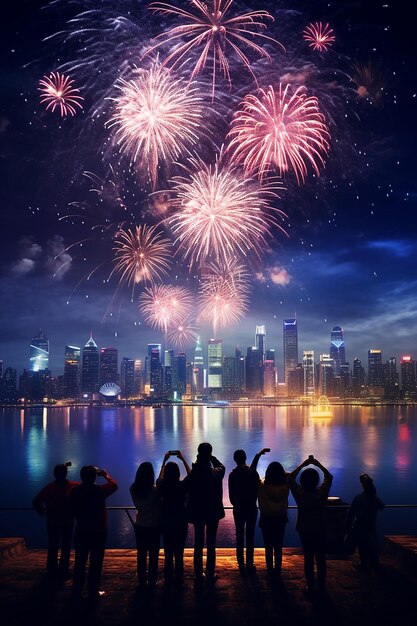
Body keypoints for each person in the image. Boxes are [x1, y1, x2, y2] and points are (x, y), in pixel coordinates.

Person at [70, 465, 118, 601]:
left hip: (81, 530)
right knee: (96, 562)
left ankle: (77, 589)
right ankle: (93, 590)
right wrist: (105, 475)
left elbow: (71, 508)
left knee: (80, 561)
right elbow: (114, 485)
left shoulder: (75, 491)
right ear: (94, 477)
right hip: (99, 530)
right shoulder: (99, 491)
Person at [289, 456, 333, 597]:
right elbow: (329, 477)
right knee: (321, 558)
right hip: (321, 528)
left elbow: (290, 479)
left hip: (305, 529)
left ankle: (310, 586)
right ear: (316, 481)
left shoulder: (300, 495)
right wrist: (317, 463)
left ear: (302, 481)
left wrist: (303, 464)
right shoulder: (321, 494)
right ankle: (322, 587)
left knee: (308, 558)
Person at [183, 442, 225, 584]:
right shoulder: (215, 473)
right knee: (211, 543)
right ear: (210, 454)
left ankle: (198, 573)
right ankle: (210, 573)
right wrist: (211, 457)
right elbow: (222, 467)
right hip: (213, 512)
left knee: (198, 543)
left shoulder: (194, 473)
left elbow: (184, 487)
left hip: (197, 512)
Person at [32, 462, 79, 578]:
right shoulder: (73, 486)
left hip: (52, 521)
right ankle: (64, 569)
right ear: (66, 474)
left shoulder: (49, 488)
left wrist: (43, 512)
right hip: (68, 521)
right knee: (66, 546)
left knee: (53, 545)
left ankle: (51, 569)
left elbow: (36, 501)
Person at [252, 450, 290, 578]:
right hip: (280, 518)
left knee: (268, 546)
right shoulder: (285, 487)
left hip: (266, 518)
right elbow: (292, 475)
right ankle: (278, 570)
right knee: (278, 546)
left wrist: (258, 455)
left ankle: (269, 569)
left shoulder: (262, 487)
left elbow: (252, 472)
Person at [156, 450, 191, 585]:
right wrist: (183, 460)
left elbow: (159, 479)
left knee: (168, 552)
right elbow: (191, 476)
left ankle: (168, 579)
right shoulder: (182, 486)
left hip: (165, 521)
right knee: (179, 552)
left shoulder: (162, 486)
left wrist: (164, 462)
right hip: (181, 521)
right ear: (177, 473)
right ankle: (179, 579)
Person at [228, 449, 260, 574]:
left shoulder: (232, 475)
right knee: (250, 536)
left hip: (238, 509)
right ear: (245, 458)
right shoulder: (253, 473)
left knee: (239, 536)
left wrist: (237, 503)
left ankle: (241, 563)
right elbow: (257, 490)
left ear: (235, 460)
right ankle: (250, 563)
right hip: (251, 508)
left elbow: (231, 497)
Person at [346, 473, 385, 570]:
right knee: (371, 543)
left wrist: (347, 526)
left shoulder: (358, 498)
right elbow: (382, 506)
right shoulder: (374, 498)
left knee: (361, 545)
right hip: (371, 525)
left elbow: (351, 513)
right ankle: (373, 562)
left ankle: (363, 564)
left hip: (360, 525)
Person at [130, 462, 161, 587]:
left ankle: (142, 580)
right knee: (154, 555)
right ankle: (152, 580)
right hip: (154, 526)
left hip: (140, 525)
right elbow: (160, 483)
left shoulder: (132, 489)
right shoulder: (155, 491)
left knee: (141, 554)